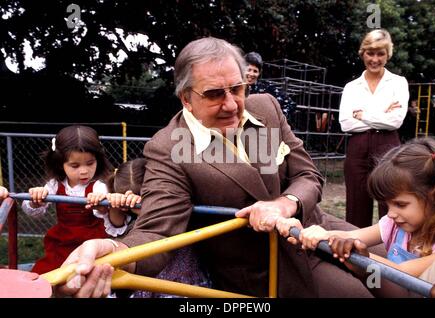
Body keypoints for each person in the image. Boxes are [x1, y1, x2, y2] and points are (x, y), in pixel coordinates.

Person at [56, 37, 383, 298]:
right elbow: (157, 230)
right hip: (268, 270)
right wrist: (115, 249)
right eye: (214, 94)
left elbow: (306, 175)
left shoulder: (265, 109)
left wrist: (285, 204)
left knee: (403, 274)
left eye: (237, 88)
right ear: (186, 98)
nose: (231, 105)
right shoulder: (169, 147)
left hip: (318, 229)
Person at [277, 137, 435, 297]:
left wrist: (361, 258)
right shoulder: (394, 225)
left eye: (400, 204)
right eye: (387, 204)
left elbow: (399, 274)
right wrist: (315, 235)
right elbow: (351, 236)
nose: (391, 213)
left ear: (433, 196)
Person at [103, 158, 212, 298]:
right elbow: (116, 224)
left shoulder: (177, 202)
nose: (139, 204)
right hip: (149, 280)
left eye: (146, 197)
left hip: (182, 277)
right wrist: (114, 201)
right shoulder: (129, 218)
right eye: (134, 203)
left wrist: (150, 204)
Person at [22, 125, 118, 274]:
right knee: (43, 275)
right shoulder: (55, 185)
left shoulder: (99, 187)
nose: (84, 171)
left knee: (88, 276)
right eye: (75, 165)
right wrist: (35, 199)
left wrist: (102, 204)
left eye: (90, 163)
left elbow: (110, 215)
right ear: (60, 164)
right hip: (63, 242)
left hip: (92, 243)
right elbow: (33, 211)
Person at [339, 29, 409, 228]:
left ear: (388, 55)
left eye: (381, 54)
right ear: (363, 53)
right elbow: (345, 123)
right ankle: (353, 253)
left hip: (388, 146)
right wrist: (381, 114)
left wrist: (363, 114)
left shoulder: (398, 83)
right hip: (357, 148)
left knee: (391, 204)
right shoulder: (352, 87)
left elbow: (395, 121)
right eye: (370, 53)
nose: (375, 59)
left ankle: (391, 253)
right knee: (356, 205)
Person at [244, 51, 297, 125]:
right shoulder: (235, 88)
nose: (251, 74)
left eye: (255, 71)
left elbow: (290, 104)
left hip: (261, 132)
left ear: (259, 73)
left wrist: (277, 122)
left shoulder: (267, 88)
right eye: (249, 70)